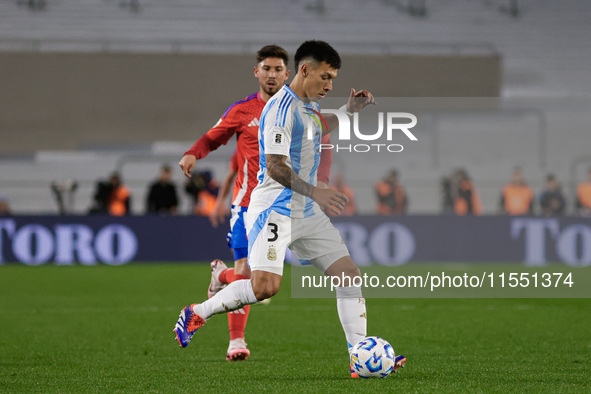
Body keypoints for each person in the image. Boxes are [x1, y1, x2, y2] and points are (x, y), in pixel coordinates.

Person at [173, 40, 406, 377]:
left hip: (306, 210)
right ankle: (197, 312)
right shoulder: (281, 110)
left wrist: (347, 112)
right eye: (325, 77)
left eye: (334, 79)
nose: (329, 85)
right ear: (305, 70)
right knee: (264, 287)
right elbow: (276, 168)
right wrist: (317, 192)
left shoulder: (307, 104)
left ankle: (359, 356)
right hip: (274, 210)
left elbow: (317, 127)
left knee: (348, 275)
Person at [178, 44, 335, 361]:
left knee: (259, 281)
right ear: (257, 72)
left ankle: (220, 277)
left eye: (278, 69)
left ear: (288, 73)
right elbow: (214, 137)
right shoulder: (243, 110)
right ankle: (236, 341)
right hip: (248, 204)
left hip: (286, 205)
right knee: (248, 273)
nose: (272, 74)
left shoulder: (301, 110)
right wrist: (194, 152)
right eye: (267, 68)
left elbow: (323, 142)